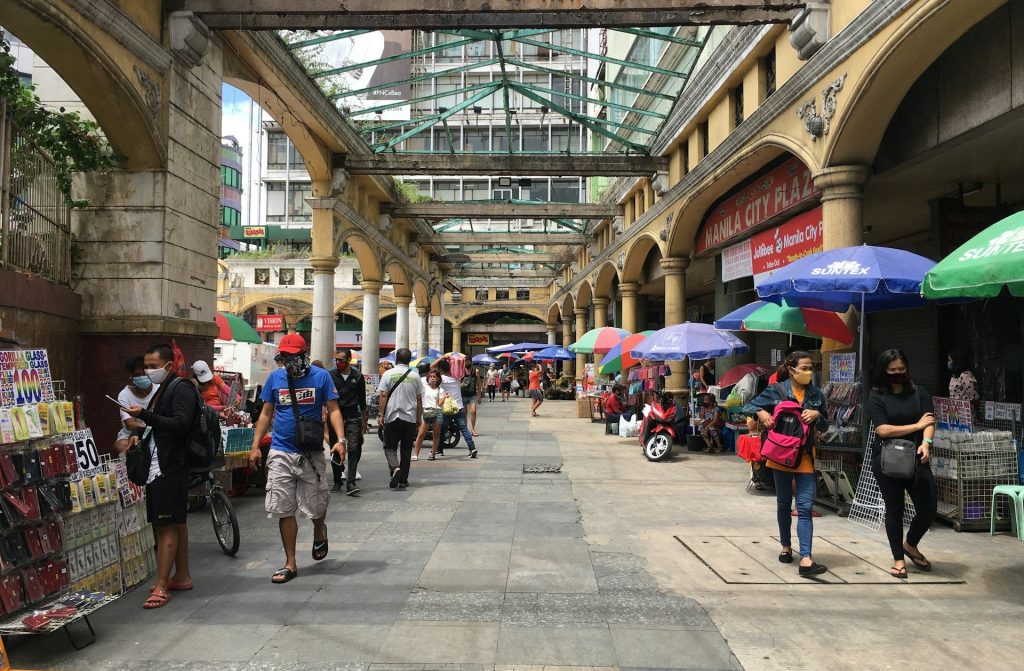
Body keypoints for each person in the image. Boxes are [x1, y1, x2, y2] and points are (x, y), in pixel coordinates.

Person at [248, 333, 346, 585]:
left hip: (310, 452)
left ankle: (318, 528)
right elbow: (266, 413)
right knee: (283, 507)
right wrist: (255, 446)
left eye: (293, 356)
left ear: (304, 355)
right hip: (281, 450)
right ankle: (290, 562)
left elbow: (334, 409)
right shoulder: (275, 378)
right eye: (285, 357)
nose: (288, 362)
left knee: (316, 504)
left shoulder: (321, 377)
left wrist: (340, 440)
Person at [743, 350, 829, 577]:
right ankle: (785, 546)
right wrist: (761, 412)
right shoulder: (776, 390)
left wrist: (817, 415)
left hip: (806, 457)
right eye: (804, 368)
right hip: (780, 456)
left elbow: (826, 425)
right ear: (791, 370)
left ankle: (807, 558)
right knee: (783, 503)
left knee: (804, 507)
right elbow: (747, 407)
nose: (809, 371)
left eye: (812, 367)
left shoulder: (817, 395)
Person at [124, 344, 197, 608]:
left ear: (168, 365)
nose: (149, 372)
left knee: (165, 526)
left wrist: (144, 415)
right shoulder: (164, 390)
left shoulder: (181, 388)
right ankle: (182, 576)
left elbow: (180, 424)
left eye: (154, 366)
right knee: (175, 523)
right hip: (163, 465)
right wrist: (138, 432)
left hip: (169, 466)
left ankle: (162, 585)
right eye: (147, 367)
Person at [867, 349, 937, 579]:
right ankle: (898, 559)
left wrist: (926, 441)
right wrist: (915, 427)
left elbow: (929, 421)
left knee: (928, 508)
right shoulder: (877, 396)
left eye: (901, 369)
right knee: (894, 509)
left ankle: (910, 545)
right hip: (887, 459)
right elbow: (883, 429)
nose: (898, 373)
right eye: (892, 370)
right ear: (883, 371)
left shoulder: (920, 392)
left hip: (917, 457)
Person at [378, 348, 423, 488]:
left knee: (390, 447)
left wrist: (381, 414)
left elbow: (383, 395)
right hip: (409, 417)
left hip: (392, 416)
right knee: (406, 449)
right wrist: (418, 418)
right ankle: (403, 480)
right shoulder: (415, 376)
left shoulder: (388, 374)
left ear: (396, 358)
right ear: (409, 360)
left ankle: (395, 468)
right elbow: (419, 399)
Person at [328, 348, 367, 495]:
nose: (338, 363)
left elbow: (362, 399)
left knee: (354, 447)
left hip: (352, 415)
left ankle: (351, 482)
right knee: (335, 446)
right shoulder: (330, 375)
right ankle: (337, 479)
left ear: (349, 360)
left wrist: (364, 419)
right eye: (336, 360)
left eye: (341, 360)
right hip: (334, 415)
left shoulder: (357, 376)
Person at [433, 357, 477, 458]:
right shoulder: (458, 377)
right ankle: (472, 448)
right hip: (459, 407)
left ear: (440, 369)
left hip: (447, 409)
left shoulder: (441, 379)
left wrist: (442, 358)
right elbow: (462, 369)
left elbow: (432, 366)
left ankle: (440, 450)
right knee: (464, 429)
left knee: (442, 429)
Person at [114, 355, 159, 454]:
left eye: (144, 373)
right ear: (132, 377)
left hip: (157, 433)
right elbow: (130, 424)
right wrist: (152, 428)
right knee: (121, 446)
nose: (142, 376)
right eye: (138, 375)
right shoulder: (124, 395)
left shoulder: (159, 390)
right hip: (131, 435)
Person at [415, 370, 445, 461]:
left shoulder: (441, 390)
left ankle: (433, 454)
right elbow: (419, 397)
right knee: (421, 434)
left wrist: (444, 398)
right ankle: (416, 454)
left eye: (434, 377)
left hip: (437, 412)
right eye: (431, 376)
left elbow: (439, 404)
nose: (432, 378)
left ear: (438, 378)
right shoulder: (424, 387)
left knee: (436, 434)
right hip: (426, 412)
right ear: (428, 378)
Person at [461, 363, 480, 436]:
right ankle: (465, 430)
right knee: (464, 413)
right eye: (465, 361)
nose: (467, 363)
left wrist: (479, 396)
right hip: (463, 394)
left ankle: (473, 429)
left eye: (468, 361)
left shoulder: (476, 371)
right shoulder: (461, 371)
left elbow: (478, 383)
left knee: (473, 411)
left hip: (473, 395)